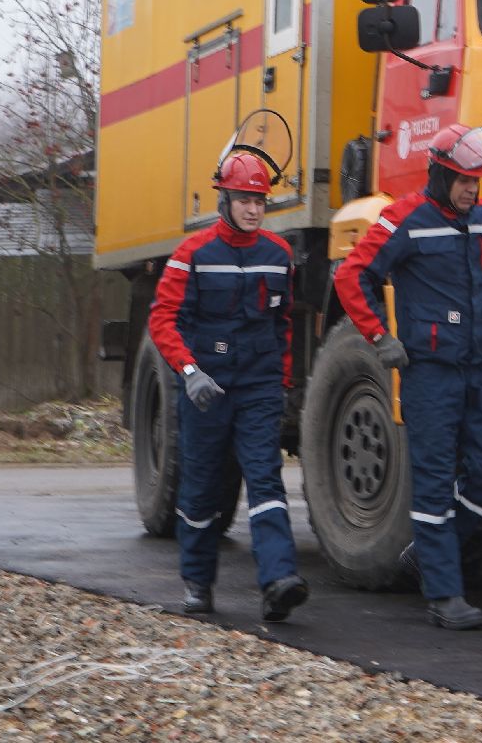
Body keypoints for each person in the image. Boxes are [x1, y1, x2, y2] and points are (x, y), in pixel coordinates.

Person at [335, 123, 482, 631]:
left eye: (478, 181)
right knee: (434, 484)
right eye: (464, 180)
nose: (473, 189)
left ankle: (428, 549)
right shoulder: (403, 219)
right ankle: (445, 596)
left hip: (480, 370)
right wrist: (380, 337)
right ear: (441, 175)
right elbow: (352, 275)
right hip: (429, 376)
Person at [148, 150, 309, 623]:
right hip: (207, 390)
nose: (253, 208)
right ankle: (198, 583)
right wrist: (190, 372)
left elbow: (282, 325)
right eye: (244, 199)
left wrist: (280, 385)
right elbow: (163, 319)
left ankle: (278, 582)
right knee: (201, 487)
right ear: (225, 200)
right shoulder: (191, 254)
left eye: (259, 200)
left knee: (265, 479)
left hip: (257, 388)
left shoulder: (279, 257)